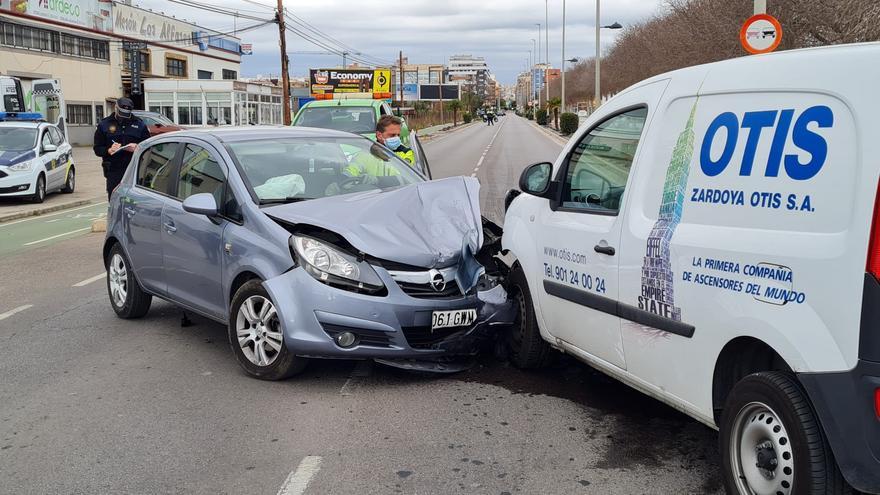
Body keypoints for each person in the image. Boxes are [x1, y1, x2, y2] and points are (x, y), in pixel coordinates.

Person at [93, 97, 150, 199]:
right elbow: (97, 149)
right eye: (122, 112)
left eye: (126, 113)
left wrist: (138, 147)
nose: (124, 116)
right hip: (113, 170)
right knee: (115, 199)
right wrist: (108, 150)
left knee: (133, 201)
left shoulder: (139, 124)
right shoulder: (104, 125)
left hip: (134, 170)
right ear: (116, 108)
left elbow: (148, 146)